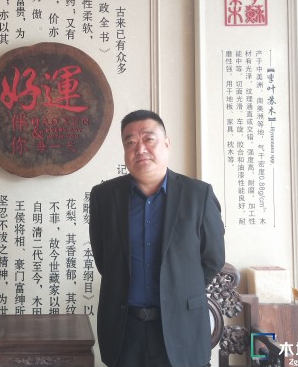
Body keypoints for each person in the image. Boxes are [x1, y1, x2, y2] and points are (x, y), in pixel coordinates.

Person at [89, 110, 225, 367]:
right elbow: (104, 260)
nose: (140, 149)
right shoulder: (104, 197)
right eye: (130, 142)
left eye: (149, 139)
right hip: (124, 330)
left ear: (166, 143)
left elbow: (213, 258)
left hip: (181, 328)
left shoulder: (198, 195)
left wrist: (180, 290)